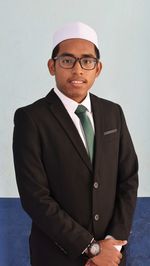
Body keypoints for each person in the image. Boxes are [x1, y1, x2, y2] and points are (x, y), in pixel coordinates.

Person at [13, 22, 138, 266]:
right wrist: (92, 249)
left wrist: (112, 242)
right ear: (52, 66)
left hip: (112, 256)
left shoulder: (113, 113)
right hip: (58, 256)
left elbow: (128, 178)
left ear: (98, 69)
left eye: (87, 61)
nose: (78, 70)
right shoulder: (31, 118)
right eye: (67, 61)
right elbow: (35, 197)